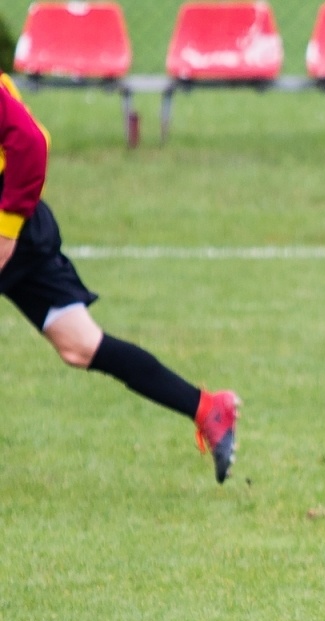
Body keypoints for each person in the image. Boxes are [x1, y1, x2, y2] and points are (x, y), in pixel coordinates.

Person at [0, 74, 238, 482]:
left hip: (15, 225)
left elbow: (32, 142)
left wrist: (6, 229)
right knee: (79, 347)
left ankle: (209, 410)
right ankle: (206, 409)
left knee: (81, 346)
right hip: (20, 226)